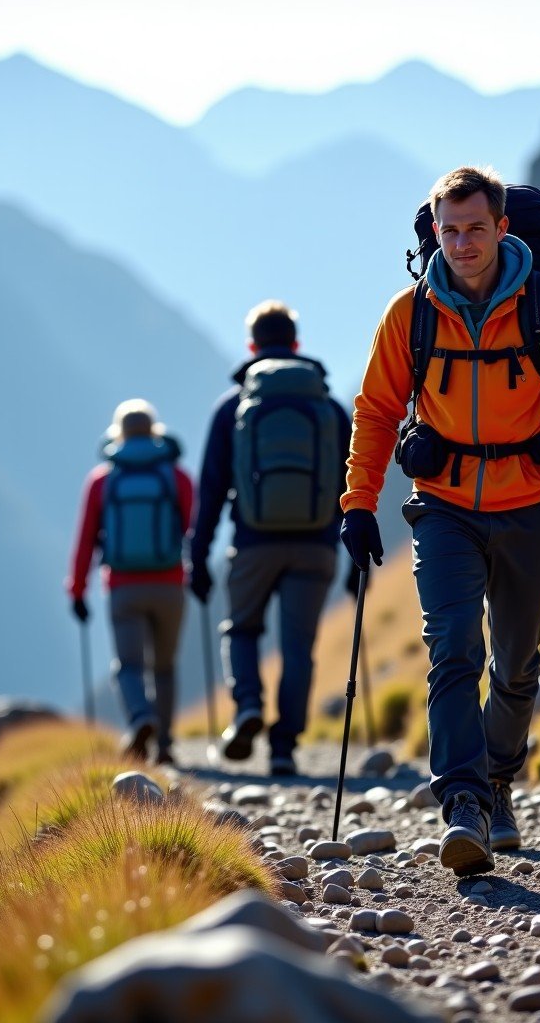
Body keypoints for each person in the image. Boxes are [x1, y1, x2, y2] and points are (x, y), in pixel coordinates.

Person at [340, 167, 540, 875]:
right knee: (453, 651)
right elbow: (377, 413)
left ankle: (499, 782)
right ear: (434, 232)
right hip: (442, 510)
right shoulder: (408, 315)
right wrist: (357, 502)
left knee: (518, 666)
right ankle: (464, 804)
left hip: (529, 506)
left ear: (502, 228)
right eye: (450, 230)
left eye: (476, 229)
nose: (463, 244)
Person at [188, 300, 352, 776]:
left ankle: (247, 709)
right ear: (296, 344)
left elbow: (212, 487)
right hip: (316, 545)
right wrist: (354, 554)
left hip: (254, 542)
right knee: (298, 646)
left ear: (252, 346)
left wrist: (197, 557)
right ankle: (284, 748)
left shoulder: (233, 406)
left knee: (241, 630)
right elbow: (354, 479)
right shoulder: (328, 406)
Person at [67, 400, 194, 764]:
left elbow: (86, 539)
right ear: (155, 430)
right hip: (170, 584)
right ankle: (166, 745)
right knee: (165, 666)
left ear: (118, 434)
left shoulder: (102, 480)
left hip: (123, 588)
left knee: (128, 665)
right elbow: (192, 529)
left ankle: (141, 717)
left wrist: (77, 590)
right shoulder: (176, 476)